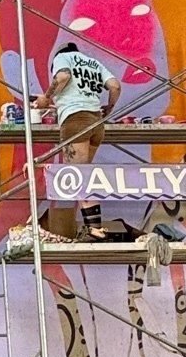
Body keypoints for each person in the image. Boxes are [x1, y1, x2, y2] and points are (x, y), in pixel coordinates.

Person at [32, 40, 121, 239]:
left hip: (75, 122)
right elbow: (115, 86)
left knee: (78, 180)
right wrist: (109, 107)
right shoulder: (93, 63)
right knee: (84, 177)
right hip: (96, 123)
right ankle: (94, 228)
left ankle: (95, 230)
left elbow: (63, 76)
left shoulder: (62, 58)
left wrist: (46, 98)